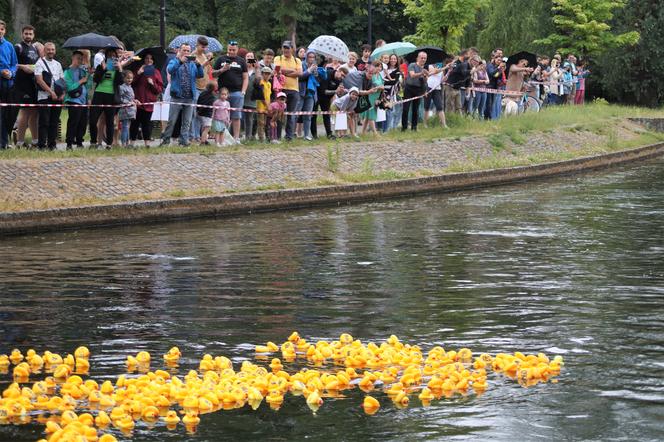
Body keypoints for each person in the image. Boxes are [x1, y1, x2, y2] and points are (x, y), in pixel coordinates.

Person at [160, 43, 204, 146]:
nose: (186, 53)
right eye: (184, 50)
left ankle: (183, 141)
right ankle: (166, 140)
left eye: (188, 51)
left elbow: (200, 75)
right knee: (172, 120)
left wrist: (198, 65)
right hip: (177, 96)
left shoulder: (192, 64)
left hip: (190, 97)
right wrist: (180, 61)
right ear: (179, 51)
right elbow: (170, 70)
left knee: (187, 121)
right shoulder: (174, 61)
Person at [212, 40, 248, 142]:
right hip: (222, 92)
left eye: (234, 50)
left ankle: (236, 138)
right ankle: (220, 138)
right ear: (227, 49)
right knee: (220, 116)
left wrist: (243, 92)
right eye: (230, 50)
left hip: (237, 92)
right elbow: (213, 74)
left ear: (237, 50)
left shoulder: (241, 61)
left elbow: (245, 77)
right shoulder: (221, 59)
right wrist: (222, 70)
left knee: (236, 116)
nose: (231, 52)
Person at [89, 48, 124, 148]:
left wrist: (120, 69)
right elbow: (95, 79)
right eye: (109, 56)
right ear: (106, 57)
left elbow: (120, 82)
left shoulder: (117, 68)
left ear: (116, 58)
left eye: (114, 56)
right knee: (93, 120)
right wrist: (102, 69)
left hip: (111, 96)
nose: (111, 57)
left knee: (109, 121)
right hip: (99, 94)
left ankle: (109, 143)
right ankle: (93, 142)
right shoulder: (101, 66)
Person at [13, 25, 40, 148]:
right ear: (22, 34)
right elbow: (12, 63)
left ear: (33, 35)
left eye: (30, 34)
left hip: (33, 84)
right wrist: (23, 67)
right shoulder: (18, 47)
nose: (28, 36)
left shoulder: (35, 48)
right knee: (25, 112)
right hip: (22, 84)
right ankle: (20, 142)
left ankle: (35, 141)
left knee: (34, 113)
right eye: (26, 33)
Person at [34, 42, 63, 150]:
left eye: (52, 49)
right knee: (44, 122)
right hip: (44, 97)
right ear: (44, 51)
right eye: (48, 49)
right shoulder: (39, 63)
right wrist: (51, 92)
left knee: (54, 122)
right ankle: (41, 145)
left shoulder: (58, 64)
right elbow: (39, 80)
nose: (51, 51)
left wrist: (63, 93)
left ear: (55, 51)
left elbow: (62, 80)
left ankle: (52, 145)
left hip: (57, 97)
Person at [131, 52, 163, 147]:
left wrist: (153, 83)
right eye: (146, 58)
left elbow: (159, 89)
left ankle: (147, 144)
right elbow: (131, 82)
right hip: (138, 101)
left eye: (151, 59)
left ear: (153, 61)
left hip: (149, 102)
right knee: (135, 123)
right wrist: (138, 73)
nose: (149, 60)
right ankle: (131, 143)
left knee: (147, 124)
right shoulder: (138, 70)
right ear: (143, 60)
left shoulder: (156, 72)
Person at [273, 40, 302, 142]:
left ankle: (289, 136)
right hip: (281, 89)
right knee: (280, 113)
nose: (285, 50)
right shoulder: (278, 58)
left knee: (291, 114)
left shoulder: (297, 60)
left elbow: (300, 73)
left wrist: (284, 72)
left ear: (292, 49)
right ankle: (277, 136)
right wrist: (292, 71)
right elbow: (277, 70)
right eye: (284, 48)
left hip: (294, 90)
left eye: (287, 48)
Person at [63, 50, 89, 149]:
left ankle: (79, 142)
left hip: (84, 101)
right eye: (78, 58)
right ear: (73, 58)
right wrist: (80, 81)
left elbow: (88, 84)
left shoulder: (83, 71)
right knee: (73, 122)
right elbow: (69, 87)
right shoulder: (67, 72)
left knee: (83, 122)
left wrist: (88, 76)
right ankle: (69, 143)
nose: (80, 60)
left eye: (81, 59)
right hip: (74, 100)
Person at [190, 36, 213, 144]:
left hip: (204, 88)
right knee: (194, 113)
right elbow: (194, 71)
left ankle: (199, 136)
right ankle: (194, 136)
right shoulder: (193, 56)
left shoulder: (204, 55)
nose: (204, 49)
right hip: (196, 87)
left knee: (201, 113)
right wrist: (206, 62)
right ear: (197, 44)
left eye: (205, 47)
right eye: (202, 47)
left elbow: (208, 72)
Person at [297, 50, 323, 141]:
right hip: (301, 92)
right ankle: (291, 134)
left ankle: (306, 135)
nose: (311, 59)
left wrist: (316, 72)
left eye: (313, 57)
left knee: (308, 115)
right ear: (306, 57)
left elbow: (318, 80)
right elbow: (300, 77)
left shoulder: (315, 66)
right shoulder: (301, 64)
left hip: (311, 93)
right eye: (310, 56)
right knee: (296, 113)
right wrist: (309, 70)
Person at [316, 65, 347, 139]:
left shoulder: (339, 80)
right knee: (313, 116)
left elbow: (337, 94)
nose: (342, 78)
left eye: (344, 77)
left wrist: (341, 91)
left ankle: (329, 134)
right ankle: (314, 135)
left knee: (326, 115)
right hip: (317, 95)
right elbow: (324, 91)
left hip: (327, 98)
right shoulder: (327, 74)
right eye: (342, 75)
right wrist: (336, 91)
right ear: (338, 71)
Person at [0, 20, 17, 149]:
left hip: (9, 84)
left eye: (1, 29)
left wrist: (11, 73)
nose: (0, 31)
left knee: (8, 114)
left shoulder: (9, 46)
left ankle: (4, 142)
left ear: (4, 31)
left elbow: (14, 64)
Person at [402, 51, 428, 132]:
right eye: (422, 58)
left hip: (418, 90)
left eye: (425, 58)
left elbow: (424, 81)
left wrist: (425, 77)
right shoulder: (412, 65)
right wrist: (421, 73)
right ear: (418, 58)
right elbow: (412, 75)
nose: (423, 59)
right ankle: (404, 127)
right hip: (409, 89)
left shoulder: (424, 69)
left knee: (415, 109)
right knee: (406, 109)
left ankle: (414, 127)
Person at [361, 61, 384, 136]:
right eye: (378, 66)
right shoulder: (372, 75)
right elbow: (373, 85)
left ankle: (363, 132)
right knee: (371, 115)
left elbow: (382, 85)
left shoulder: (380, 75)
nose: (379, 68)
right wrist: (380, 87)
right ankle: (375, 133)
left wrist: (381, 88)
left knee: (368, 117)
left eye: (380, 67)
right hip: (370, 96)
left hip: (376, 97)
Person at [118, 70, 140, 146]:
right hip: (125, 110)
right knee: (125, 127)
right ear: (123, 78)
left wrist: (135, 100)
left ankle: (127, 143)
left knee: (127, 127)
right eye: (128, 78)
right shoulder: (121, 87)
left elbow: (130, 98)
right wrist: (129, 103)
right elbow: (120, 99)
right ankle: (124, 143)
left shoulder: (130, 87)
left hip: (131, 110)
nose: (130, 80)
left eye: (131, 78)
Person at [444, 49, 470, 115]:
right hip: (451, 87)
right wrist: (471, 71)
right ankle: (449, 120)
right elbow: (459, 72)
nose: (469, 56)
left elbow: (465, 75)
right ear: (464, 55)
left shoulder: (464, 64)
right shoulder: (455, 63)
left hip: (458, 88)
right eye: (468, 54)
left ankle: (458, 121)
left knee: (458, 107)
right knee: (450, 106)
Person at [424, 59, 446, 128]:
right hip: (429, 87)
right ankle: (425, 124)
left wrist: (445, 78)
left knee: (439, 106)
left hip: (437, 88)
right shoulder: (428, 65)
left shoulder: (441, 66)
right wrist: (445, 67)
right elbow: (434, 72)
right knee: (426, 107)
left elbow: (441, 79)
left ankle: (444, 124)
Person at [243, 51, 259, 141]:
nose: (249, 58)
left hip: (251, 98)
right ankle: (233, 136)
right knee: (237, 117)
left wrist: (256, 69)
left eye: (251, 56)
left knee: (249, 119)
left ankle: (248, 137)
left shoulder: (256, 70)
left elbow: (258, 82)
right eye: (247, 56)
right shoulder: (242, 69)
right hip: (242, 96)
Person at [256, 66, 272, 142]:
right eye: (265, 73)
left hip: (267, 107)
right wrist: (267, 105)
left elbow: (268, 96)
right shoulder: (261, 83)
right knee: (261, 123)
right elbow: (261, 96)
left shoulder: (269, 84)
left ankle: (267, 138)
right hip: (260, 107)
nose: (267, 75)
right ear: (262, 74)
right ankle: (261, 139)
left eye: (269, 74)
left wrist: (269, 106)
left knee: (266, 123)